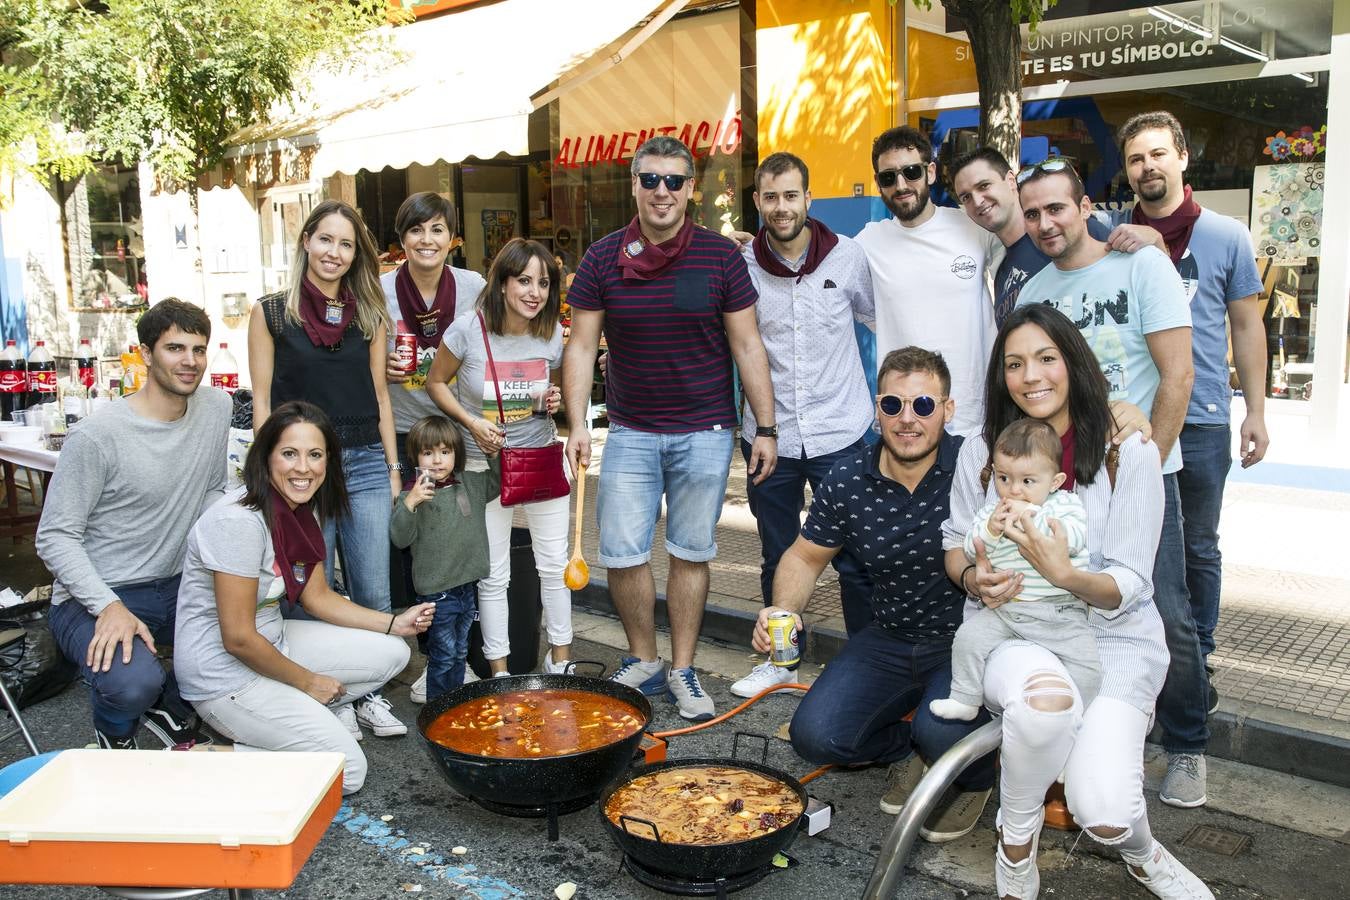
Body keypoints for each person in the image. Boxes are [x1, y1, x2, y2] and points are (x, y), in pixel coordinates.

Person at [943, 303, 1211, 900]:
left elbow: (1132, 582)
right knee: (1044, 707)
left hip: (1111, 637)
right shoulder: (981, 450)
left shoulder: (1126, 449)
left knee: (1105, 812)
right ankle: (1015, 844)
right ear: (1000, 375)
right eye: (1015, 364)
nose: (1031, 376)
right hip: (1013, 625)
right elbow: (953, 541)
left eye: (1046, 358)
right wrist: (971, 578)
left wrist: (1064, 573)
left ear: (1074, 363)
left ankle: (1144, 855)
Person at [1014, 157, 1208, 819]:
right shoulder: (1033, 291)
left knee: (1168, 616)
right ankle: (1101, 733)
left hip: (1140, 475)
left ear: (1085, 205)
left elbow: (1176, 375)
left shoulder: (1141, 265)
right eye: (1033, 213)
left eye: (1056, 208)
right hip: (1067, 488)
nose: (1045, 223)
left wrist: (1143, 465)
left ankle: (1186, 742)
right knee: (1075, 609)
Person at [563, 135, 777, 722]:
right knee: (623, 553)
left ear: (692, 189)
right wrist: (578, 423)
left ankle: (683, 668)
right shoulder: (603, 256)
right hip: (629, 432)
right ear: (634, 184)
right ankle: (644, 658)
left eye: (674, 181)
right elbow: (581, 346)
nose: (662, 191)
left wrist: (766, 426)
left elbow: (748, 343)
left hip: (705, 431)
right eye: (650, 179)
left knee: (690, 552)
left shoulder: (720, 257)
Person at [749, 347, 996, 842]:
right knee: (816, 737)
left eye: (923, 405)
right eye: (893, 404)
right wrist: (781, 610)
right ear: (876, 407)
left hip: (967, 637)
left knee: (942, 728)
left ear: (948, 410)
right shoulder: (847, 477)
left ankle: (975, 776)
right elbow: (803, 557)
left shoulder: (979, 465)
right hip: (889, 637)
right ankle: (910, 750)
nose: (907, 420)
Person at [1114, 111, 1269, 808]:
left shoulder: (1224, 236)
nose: (1148, 167)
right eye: (1136, 158)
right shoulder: (1113, 234)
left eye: (1158, 154)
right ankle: (1177, 673)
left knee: (1196, 551)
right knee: (1149, 567)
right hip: (1139, 425)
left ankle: (1197, 660)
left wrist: (1257, 410)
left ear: (1182, 158)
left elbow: (1246, 325)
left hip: (1203, 417)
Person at [173, 401, 434, 795]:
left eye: (315, 455)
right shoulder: (237, 521)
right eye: (289, 454)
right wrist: (308, 682)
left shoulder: (299, 508)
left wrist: (394, 623)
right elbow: (238, 638)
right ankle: (212, 752)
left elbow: (316, 597)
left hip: (273, 644)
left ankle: (297, 718)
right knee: (347, 772)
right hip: (224, 676)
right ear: (265, 457)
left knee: (395, 652)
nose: (303, 468)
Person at [247, 198, 407, 740]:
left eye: (345, 244)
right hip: (301, 472)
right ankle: (330, 695)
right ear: (306, 242)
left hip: (362, 462)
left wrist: (392, 467)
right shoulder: (271, 314)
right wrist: (268, 473)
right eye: (325, 240)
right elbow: (263, 400)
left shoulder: (368, 315)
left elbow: (381, 396)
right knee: (312, 590)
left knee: (373, 586)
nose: (334, 253)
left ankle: (371, 694)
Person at [39, 299, 229, 750]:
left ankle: (170, 704)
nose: (190, 362)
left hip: (179, 582)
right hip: (98, 594)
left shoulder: (215, 408)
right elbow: (54, 537)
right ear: (145, 354)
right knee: (132, 683)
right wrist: (107, 606)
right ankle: (115, 733)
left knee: (255, 634)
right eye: (175, 348)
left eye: (199, 350)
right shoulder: (97, 436)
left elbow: (212, 490)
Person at [728, 151, 877, 698]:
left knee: (857, 558)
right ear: (758, 202)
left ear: (808, 199)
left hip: (844, 433)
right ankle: (782, 661)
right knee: (778, 551)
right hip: (772, 437)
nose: (781, 207)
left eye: (791, 195)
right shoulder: (741, 266)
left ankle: (866, 663)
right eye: (771, 197)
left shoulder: (848, 258)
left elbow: (878, 318)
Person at [427, 238, 570, 677]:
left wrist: (553, 398)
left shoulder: (552, 333)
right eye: (523, 280)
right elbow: (435, 383)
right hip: (483, 465)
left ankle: (561, 661)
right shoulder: (469, 329)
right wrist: (472, 424)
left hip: (541, 459)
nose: (534, 292)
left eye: (543, 283)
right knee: (494, 575)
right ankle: (500, 670)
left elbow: (556, 394)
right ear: (502, 282)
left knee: (555, 566)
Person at [379, 191, 486, 702]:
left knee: (456, 537)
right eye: (417, 230)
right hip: (402, 430)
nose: (428, 239)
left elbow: (491, 347)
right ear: (402, 240)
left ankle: (455, 652)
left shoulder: (473, 287)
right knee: (409, 542)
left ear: (452, 237)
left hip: (457, 430)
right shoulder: (378, 290)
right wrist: (382, 367)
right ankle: (429, 654)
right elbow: (361, 359)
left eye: (438, 229)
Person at [929, 418, 1096, 721]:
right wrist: (991, 531)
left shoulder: (1065, 505)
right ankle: (965, 698)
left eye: (1027, 481)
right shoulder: (992, 512)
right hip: (1006, 609)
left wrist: (1033, 519)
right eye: (1004, 478)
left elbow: (1074, 539)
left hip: (1060, 613)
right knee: (968, 637)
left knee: (1089, 668)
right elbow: (971, 547)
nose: (1014, 491)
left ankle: (1075, 723)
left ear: (1055, 482)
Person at [854, 126, 1000, 436]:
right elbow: (814, 262)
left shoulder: (973, 227)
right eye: (888, 177)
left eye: (911, 172)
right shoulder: (869, 242)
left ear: (930, 172)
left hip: (974, 415)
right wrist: (750, 250)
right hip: (905, 421)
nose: (901, 184)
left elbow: (1031, 246)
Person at [949, 147, 1126, 326]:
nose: (977, 201)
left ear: (1011, 181)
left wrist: (1153, 240)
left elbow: (1131, 285)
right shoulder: (1002, 273)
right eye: (966, 197)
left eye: (984, 186)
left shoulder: (1074, 232)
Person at [389, 415, 499, 700]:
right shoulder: (413, 495)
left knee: (460, 652)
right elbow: (400, 538)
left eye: (445, 452)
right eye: (428, 453)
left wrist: (495, 453)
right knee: (443, 655)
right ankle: (438, 708)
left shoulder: (469, 483)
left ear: (456, 454)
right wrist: (410, 503)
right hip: (436, 595)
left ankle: (454, 706)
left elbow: (497, 482)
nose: (437, 460)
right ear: (415, 457)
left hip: (466, 587)